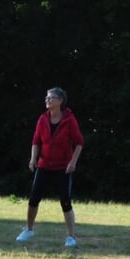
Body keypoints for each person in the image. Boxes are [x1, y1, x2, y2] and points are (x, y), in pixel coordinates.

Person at [16, 87, 84, 248]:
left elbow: (79, 142)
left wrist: (72, 162)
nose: (47, 100)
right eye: (47, 97)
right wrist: (33, 159)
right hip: (44, 165)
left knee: (65, 201)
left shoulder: (69, 120)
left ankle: (71, 237)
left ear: (60, 101)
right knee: (33, 199)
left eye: (51, 98)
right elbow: (35, 141)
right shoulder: (42, 119)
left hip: (63, 167)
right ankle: (29, 229)